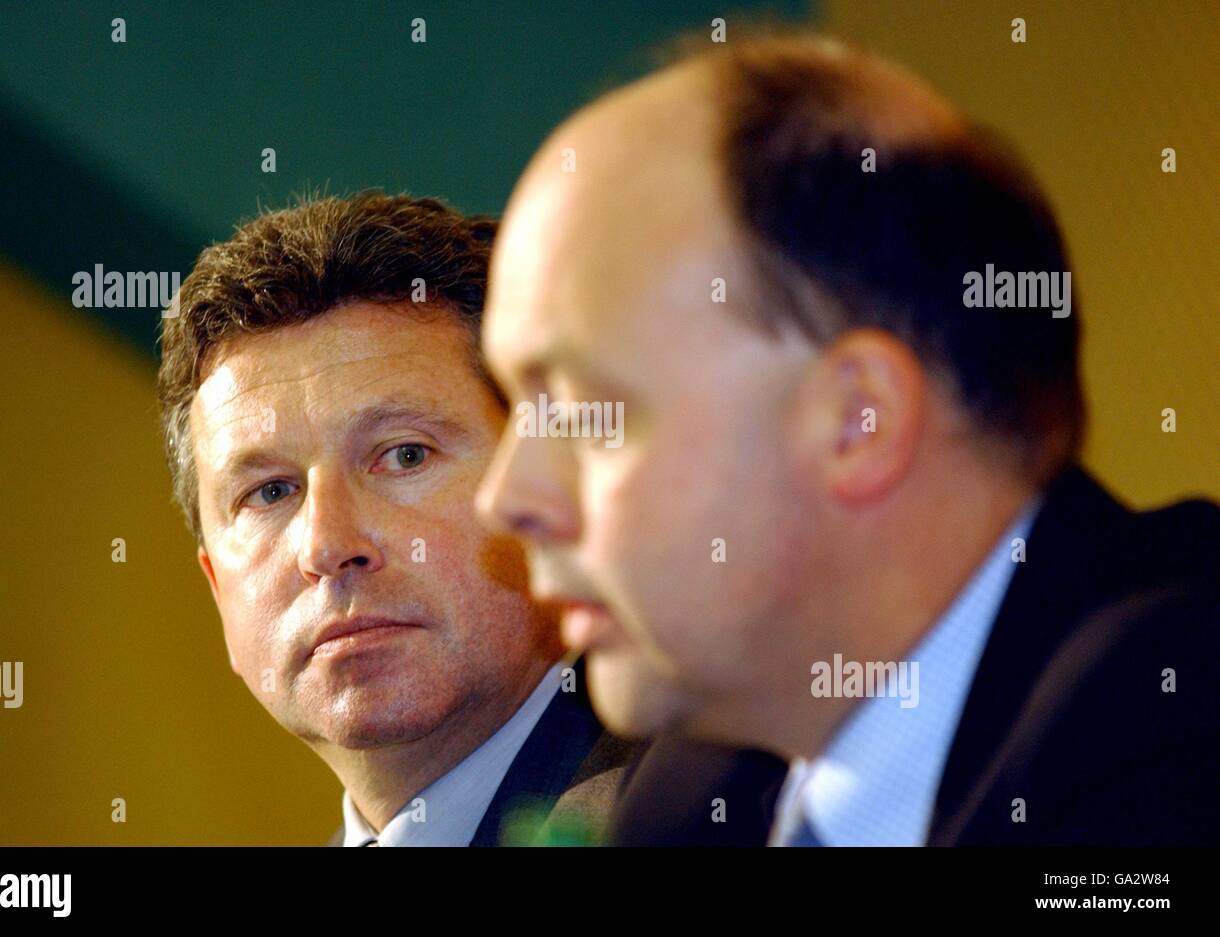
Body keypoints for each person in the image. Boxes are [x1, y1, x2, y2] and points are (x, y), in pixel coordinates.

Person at [476, 32, 1218, 845]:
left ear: (858, 421)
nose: (504, 499)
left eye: (584, 412)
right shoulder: (685, 800)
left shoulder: (1181, 723)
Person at [157, 192, 634, 846]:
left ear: (546, 490)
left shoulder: (719, 812)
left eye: (404, 454)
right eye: (269, 492)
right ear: (216, 585)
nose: (327, 543)